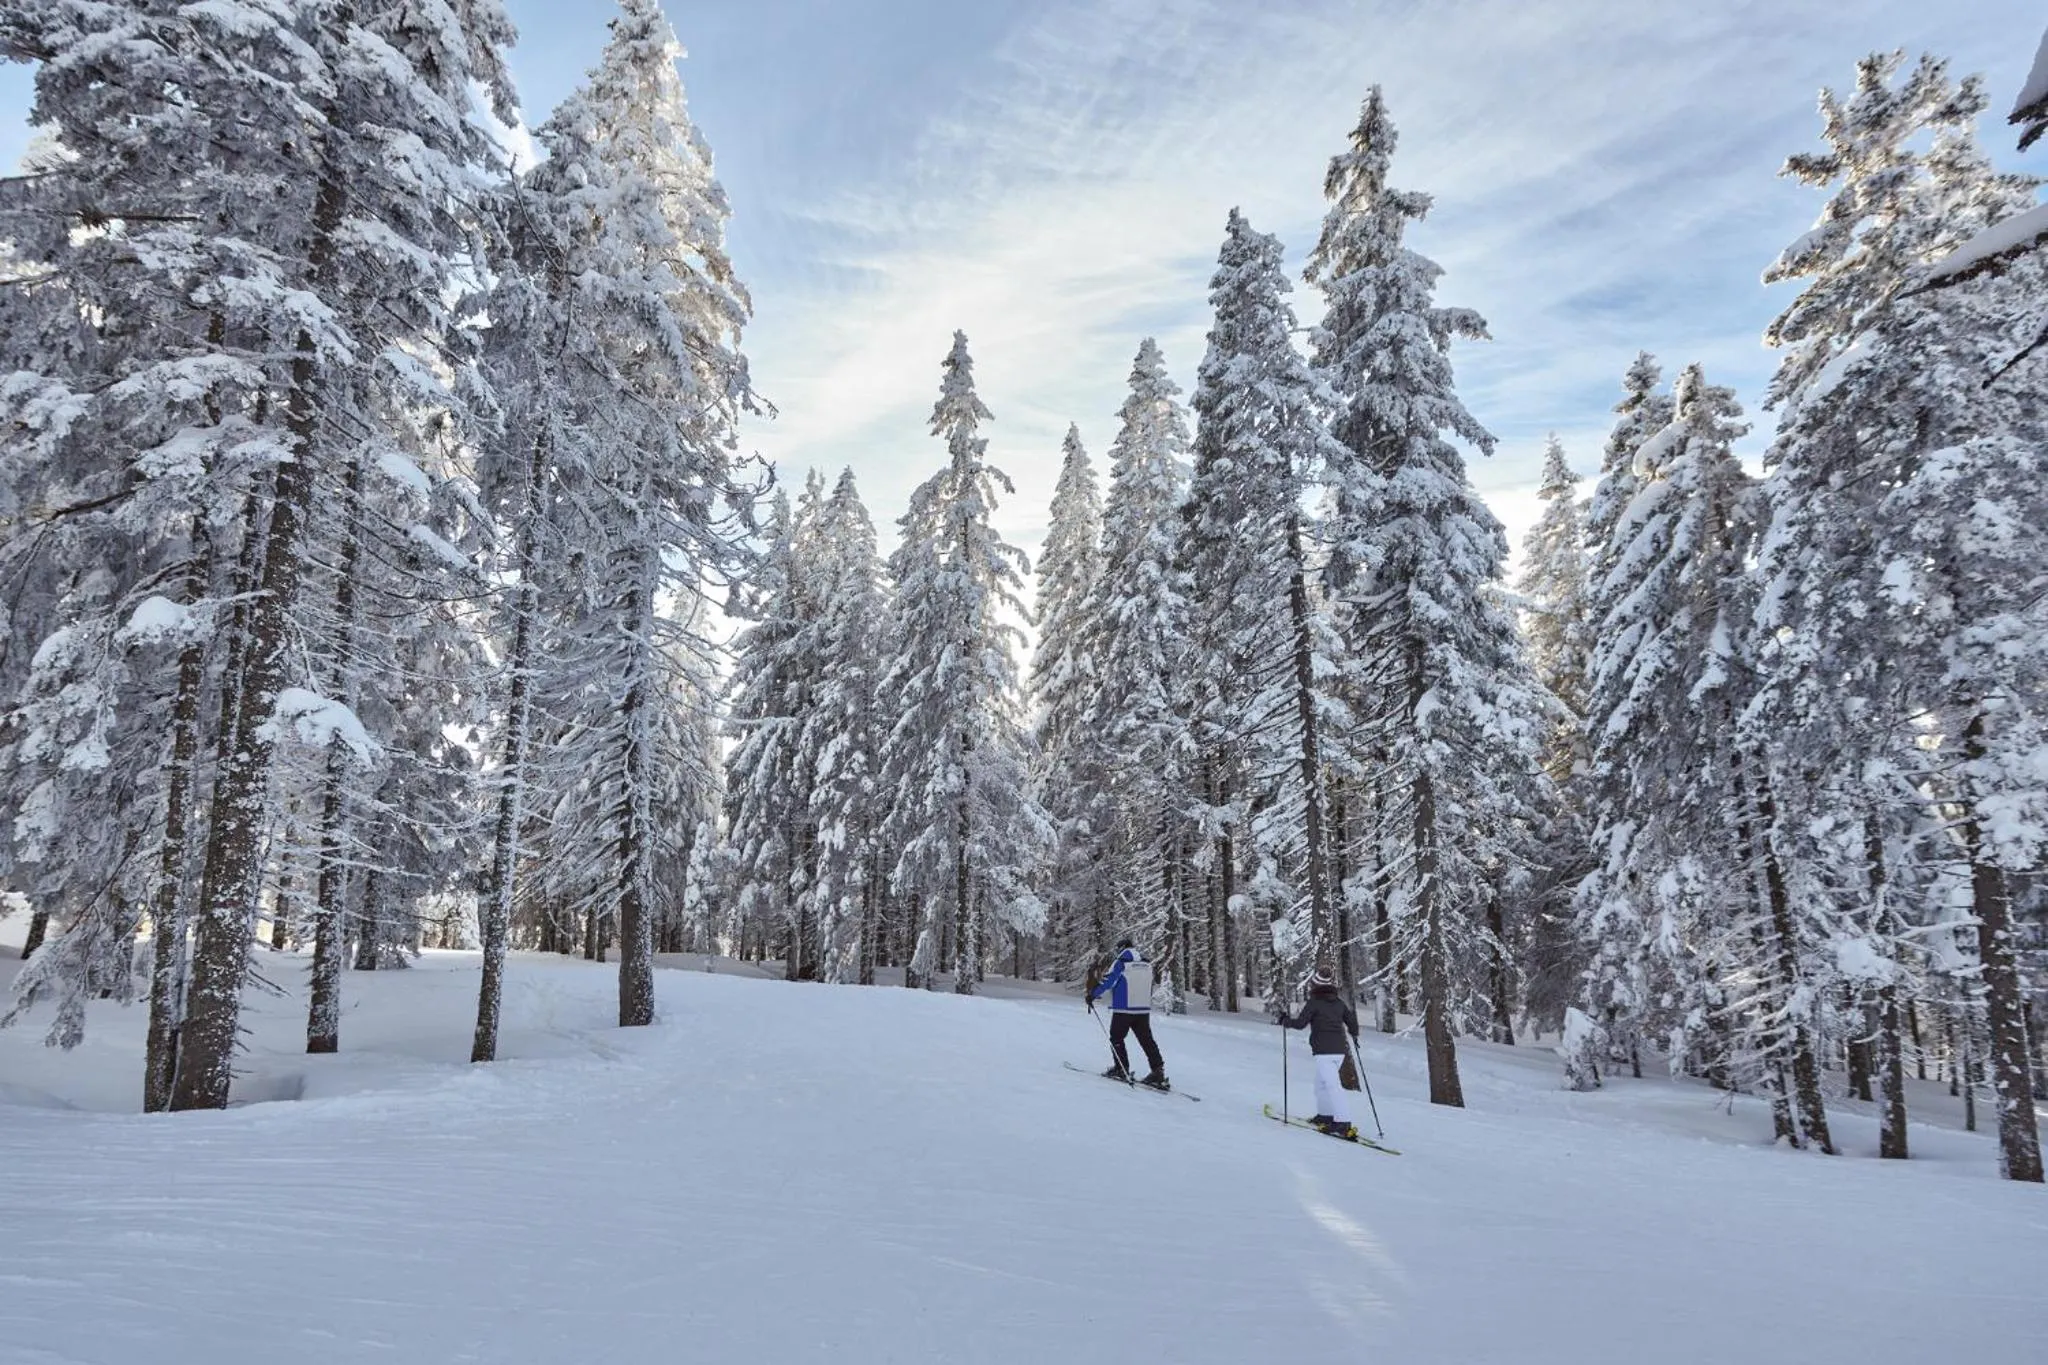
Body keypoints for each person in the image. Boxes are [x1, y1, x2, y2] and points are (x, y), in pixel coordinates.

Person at [1278, 966, 1360, 1138]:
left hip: (1324, 1051)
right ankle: (1326, 1115)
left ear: (1315, 986)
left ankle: (1343, 1123)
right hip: (1338, 1050)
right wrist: (1354, 1033)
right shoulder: (1338, 1003)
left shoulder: (1314, 1003)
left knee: (1332, 1086)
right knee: (1321, 1085)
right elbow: (1351, 1020)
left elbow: (1300, 1024)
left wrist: (1285, 1021)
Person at [1086, 938, 1168, 1090]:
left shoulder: (1121, 962)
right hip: (1143, 1009)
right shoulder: (1146, 964)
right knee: (1147, 1040)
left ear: (1122, 948)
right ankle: (1158, 1072)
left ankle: (1121, 1068)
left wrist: (1092, 994)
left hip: (1124, 1009)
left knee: (1116, 1038)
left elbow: (1109, 981)